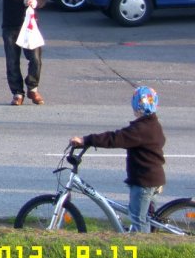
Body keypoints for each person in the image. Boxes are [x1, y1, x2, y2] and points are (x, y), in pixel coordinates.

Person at [69, 87, 166, 233]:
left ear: (136, 106)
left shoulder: (141, 129)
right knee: (143, 217)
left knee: (138, 219)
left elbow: (114, 139)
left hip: (144, 182)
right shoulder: (152, 125)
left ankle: (142, 250)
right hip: (150, 178)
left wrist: (86, 140)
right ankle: (145, 241)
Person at [0, 0, 46, 105]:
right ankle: (17, 92)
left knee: (35, 59)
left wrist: (35, 2)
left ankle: (33, 87)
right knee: (12, 60)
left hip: (29, 25)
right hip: (10, 25)